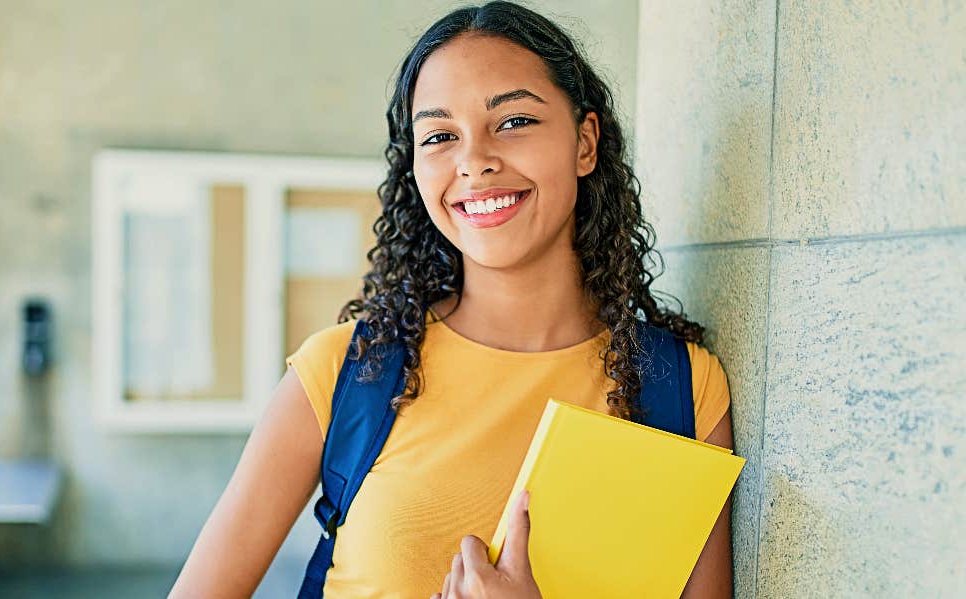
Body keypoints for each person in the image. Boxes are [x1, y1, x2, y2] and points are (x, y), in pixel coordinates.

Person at [169, 2, 735, 597]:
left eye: (514, 121)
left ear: (585, 143)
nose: (474, 161)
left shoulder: (684, 391)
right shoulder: (346, 373)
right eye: (440, 136)